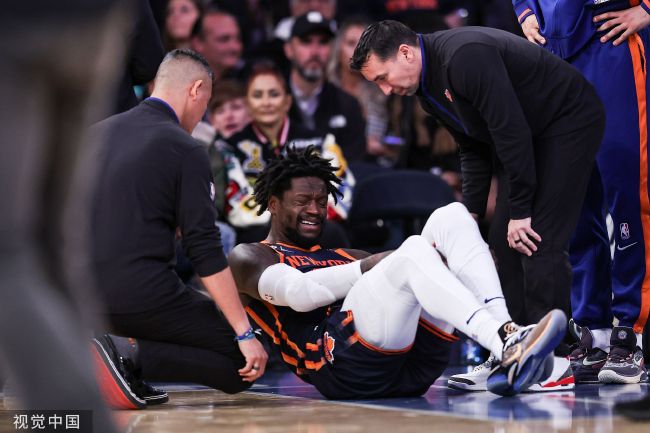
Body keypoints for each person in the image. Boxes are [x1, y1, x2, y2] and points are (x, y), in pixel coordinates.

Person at [350, 20, 605, 388]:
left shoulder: (464, 57)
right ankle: (510, 348)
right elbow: (473, 147)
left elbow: (510, 132)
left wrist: (520, 211)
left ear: (405, 53)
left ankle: (554, 362)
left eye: (383, 77)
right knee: (501, 242)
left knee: (536, 238)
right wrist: (468, 215)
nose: (386, 90)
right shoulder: (427, 89)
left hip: (566, 120)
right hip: (528, 136)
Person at [228, 146, 568, 398]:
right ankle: (505, 340)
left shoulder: (342, 253)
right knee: (412, 253)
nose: (315, 210)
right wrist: (373, 264)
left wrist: (458, 258)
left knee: (451, 215)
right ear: (273, 203)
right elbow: (300, 295)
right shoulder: (251, 256)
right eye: (303, 200)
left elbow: (407, 276)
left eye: (322, 200)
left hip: (413, 369)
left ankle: (503, 343)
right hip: (343, 369)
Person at [90, 49, 268, 406]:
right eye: (208, 102)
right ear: (197, 90)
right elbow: (203, 249)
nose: (204, 113)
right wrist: (244, 331)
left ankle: (107, 351)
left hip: (79, 294)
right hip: (140, 295)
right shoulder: (186, 149)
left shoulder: (95, 133)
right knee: (242, 363)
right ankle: (129, 354)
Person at [513, 1, 650, 385]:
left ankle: (630, 333)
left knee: (628, 193)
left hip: (611, 39)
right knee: (574, 199)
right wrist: (524, 12)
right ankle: (595, 332)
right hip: (554, 49)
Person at [223, 62, 355, 245]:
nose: (266, 102)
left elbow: (342, 190)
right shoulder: (231, 147)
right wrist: (287, 219)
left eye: (274, 94)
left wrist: (308, 216)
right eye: (257, 95)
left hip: (316, 227)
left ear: (287, 101)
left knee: (334, 233)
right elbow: (237, 204)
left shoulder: (321, 140)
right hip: (261, 233)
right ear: (247, 104)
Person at [286, 12, 368, 163]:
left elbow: (355, 168)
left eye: (323, 42)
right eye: (306, 42)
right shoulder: (272, 102)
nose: (315, 51)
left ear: (332, 49)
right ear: (289, 49)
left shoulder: (348, 106)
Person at [327, 16, 392, 161]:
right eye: (351, 43)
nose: (358, 51)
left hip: (371, 166)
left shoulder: (383, 92)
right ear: (338, 49)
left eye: (364, 44)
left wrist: (383, 149)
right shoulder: (325, 89)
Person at [191, 6, 245, 83]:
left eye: (238, 39)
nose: (235, 47)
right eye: (224, 39)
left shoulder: (250, 81)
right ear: (198, 43)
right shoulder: (179, 86)